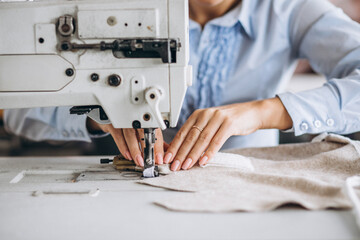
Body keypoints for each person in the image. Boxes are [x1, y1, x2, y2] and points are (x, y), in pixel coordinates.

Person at [5, 0, 360, 172]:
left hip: (245, 189)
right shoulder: (114, 8)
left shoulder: (292, 10)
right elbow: (17, 110)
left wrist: (265, 111)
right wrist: (100, 114)